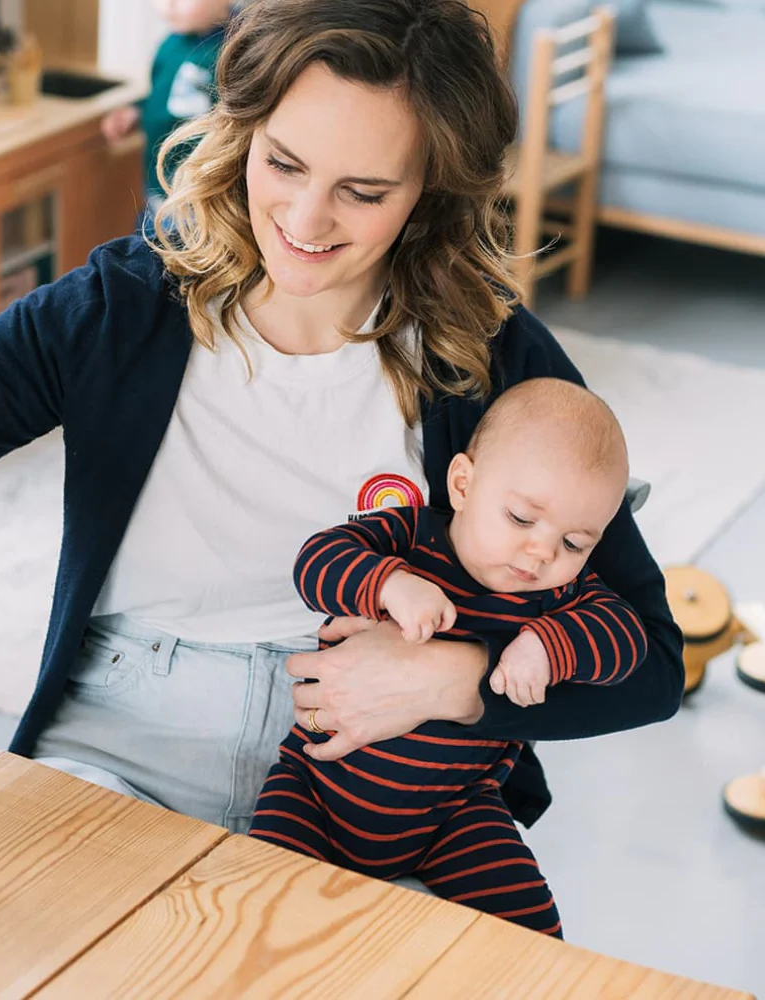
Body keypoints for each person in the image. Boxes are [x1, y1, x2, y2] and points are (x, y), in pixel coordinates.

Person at [0, 0, 683, 854]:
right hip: (122, 743)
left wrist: (463, 679)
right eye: (283, 164)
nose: (306, 221)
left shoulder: (492, 357)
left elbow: (653, 664)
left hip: (381, 779)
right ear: (245, 131)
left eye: (362, 193)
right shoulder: (122, 308)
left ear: (428, 197)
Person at [249, 378, 647, 936]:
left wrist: (547, 646)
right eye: (521, 518)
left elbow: (628, 640)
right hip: (315, 791)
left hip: (456, 816)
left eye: (575, 544)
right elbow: (317, 561)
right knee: (259, 905)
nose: (542, 553)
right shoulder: (410, 537)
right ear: (463, 484)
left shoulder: (559, 596)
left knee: (535, 936)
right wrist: (388, 584)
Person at [100, 0, 253, 218]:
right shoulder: (171, 45)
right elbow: (165, 98)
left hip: (206, 199)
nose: (167, 1)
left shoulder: (238, 49)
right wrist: (136, 112)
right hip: (161, 190)